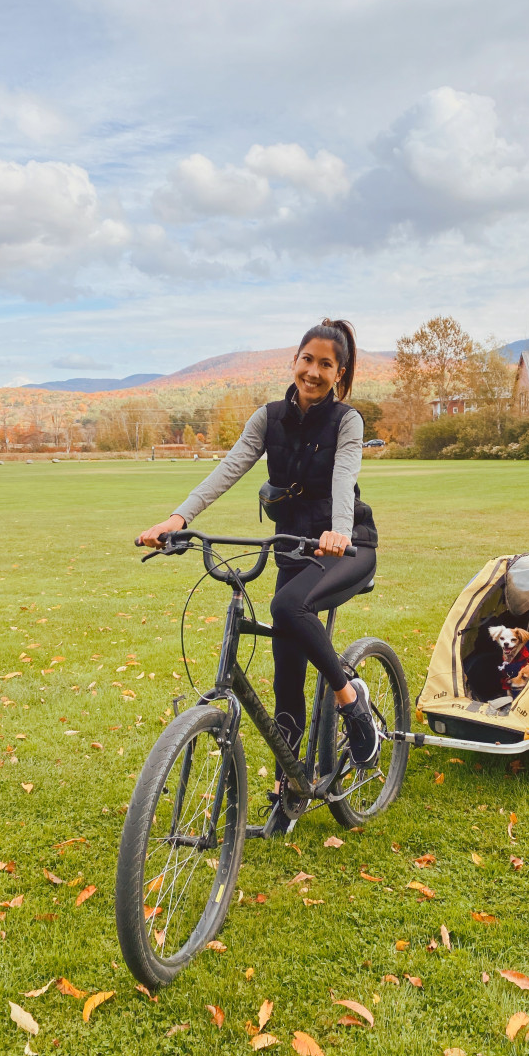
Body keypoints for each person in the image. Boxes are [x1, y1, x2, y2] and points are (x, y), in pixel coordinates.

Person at [138, 318, 380, 835]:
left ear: (341, 373)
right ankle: (290, 788)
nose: (313, 372)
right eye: (307, 359)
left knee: (286, 609)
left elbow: (345, 478)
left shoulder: (346, 421)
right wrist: (178, 519)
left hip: (346, 546)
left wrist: (339, 531)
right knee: (286, 677)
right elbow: (229, 468)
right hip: (294, 549)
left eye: (326, 365)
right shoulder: (268, 418)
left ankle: (350, 700)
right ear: (294, 360)